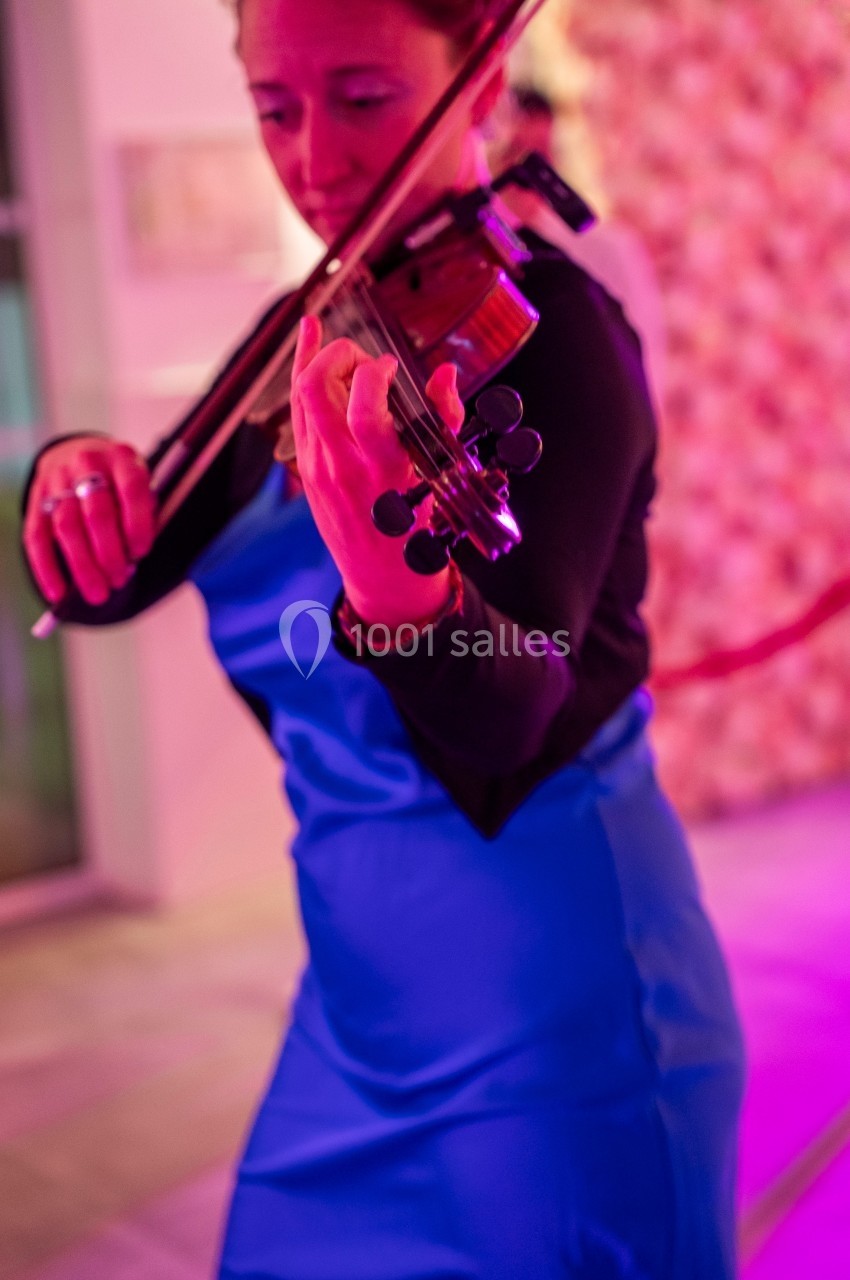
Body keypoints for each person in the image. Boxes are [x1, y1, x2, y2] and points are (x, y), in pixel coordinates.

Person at [21, 1, 744, 1276]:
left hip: (545, 1003)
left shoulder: (557, 337)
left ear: (478, 77)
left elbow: (506, 715)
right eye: (273, 108)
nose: (312, 161)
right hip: (358, 1001)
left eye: (360, 97)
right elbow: (109, 581)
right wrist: (68, 480)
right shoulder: (307, 324)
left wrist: (410, 607)